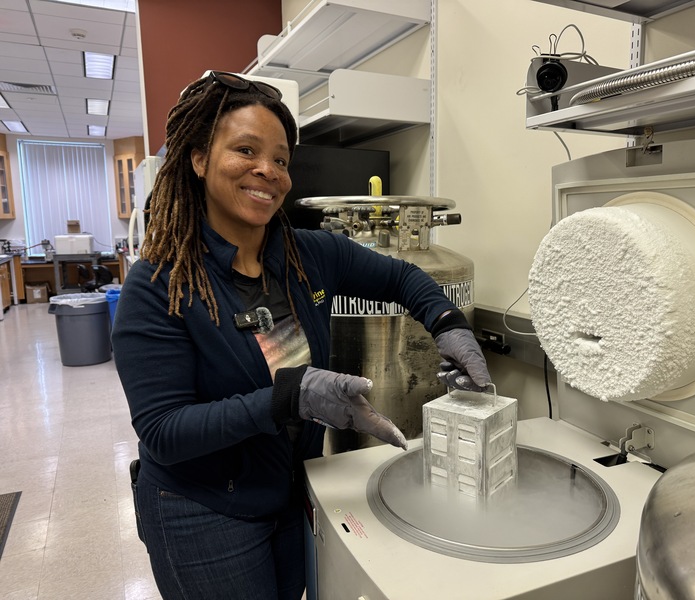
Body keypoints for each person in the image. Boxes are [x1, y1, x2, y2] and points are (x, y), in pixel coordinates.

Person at [111, 70, 491, 600]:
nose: (267, 170)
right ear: (199, 159)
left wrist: (448, 324)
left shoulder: (306, 255)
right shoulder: (160, 285)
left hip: (295, 492)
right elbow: (165, 431)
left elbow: (401, 276)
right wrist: (291, 397)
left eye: (282, 159)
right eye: (245, 150)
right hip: (203, 513)